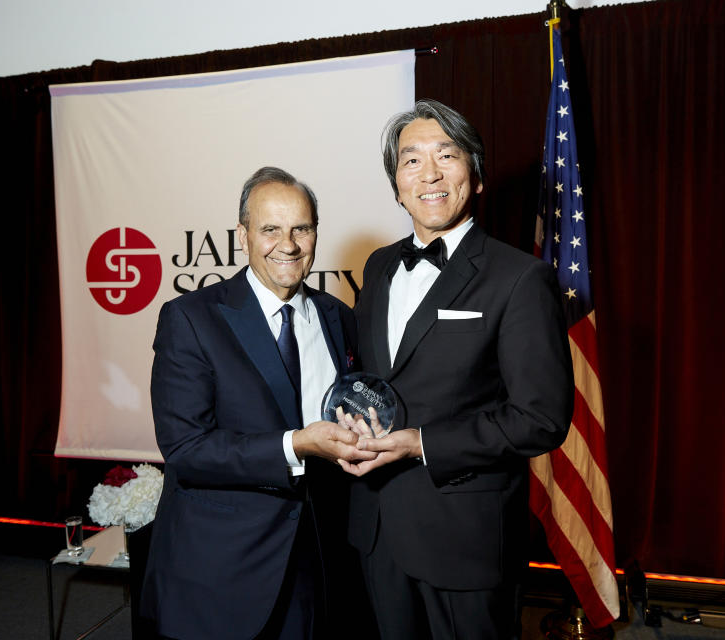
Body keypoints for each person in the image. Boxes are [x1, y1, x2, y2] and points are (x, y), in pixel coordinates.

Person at [338, 100, 574, 639]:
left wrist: (421, 443)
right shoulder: (377, 266)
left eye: (447, 155)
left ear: (477, 174)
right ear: (396, 184)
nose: (430, 173)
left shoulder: (520, 278)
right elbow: (375, 380)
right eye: (411, 160)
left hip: (465, 539)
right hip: (375, 528)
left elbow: (540, 418)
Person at [140, 166, 376, 639]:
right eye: (270, 229)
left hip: (319, 562)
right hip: (222, 571)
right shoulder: (191, 318)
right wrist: (296, 445)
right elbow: (186, 449)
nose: (287, 245)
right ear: (243, 235)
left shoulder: (339, 317)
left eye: (301, 229)